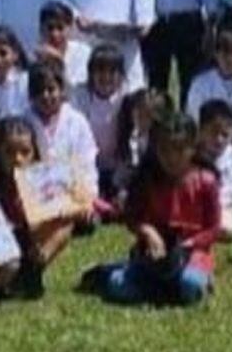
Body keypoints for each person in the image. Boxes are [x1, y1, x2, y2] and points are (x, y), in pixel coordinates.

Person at [89, 110, 221, 306]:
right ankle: (143, 278)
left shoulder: (206, 181)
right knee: (118, 286)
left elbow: (213, 228)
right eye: (165, 150)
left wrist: (188, 245)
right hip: (154, 253)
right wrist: (148, 231)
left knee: (190, 285)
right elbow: (132, 217)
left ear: (192, 149)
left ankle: (189, 280)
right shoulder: (148, 178)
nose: (171, 157)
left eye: (179, 150)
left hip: (192, 252)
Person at [0, 119, 78, 298]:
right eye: (9, 152)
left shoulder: (42, 182)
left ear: (35, 153)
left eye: (25, 152)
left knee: (64, 223)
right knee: (10, 265)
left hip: (26, 242)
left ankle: (33, 271)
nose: (18, 159)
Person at [24, 62, 100, 204]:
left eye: (51, 89)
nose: (45, 96)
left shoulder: (77, 121)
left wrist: (89, 194)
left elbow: (87, 161)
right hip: (37, 194)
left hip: (72, 190)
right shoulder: (24, 122)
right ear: (30, 95)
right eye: (39, 91)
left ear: (62, 91)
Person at [74, 47, 129, 204]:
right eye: (100, 71)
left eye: (112, 72)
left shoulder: (127, 97)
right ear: (90, 74)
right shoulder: (79, 95)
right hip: (87, 166)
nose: (106, 77)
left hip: (118, 167)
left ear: (121, 75)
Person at [195, 100, 232, 239]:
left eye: (225, 135)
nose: (219, 140)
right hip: (192, 202)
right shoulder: (191, 152)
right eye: (214, 133)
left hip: (219, 205)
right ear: (201, 131)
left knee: (227, 228)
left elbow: (229, 190)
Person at [35, 1, 91, 89]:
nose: (54, 34)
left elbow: (77, 93)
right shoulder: (36, 57)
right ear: (41, 29)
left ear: (70, 28)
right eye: (50, 28)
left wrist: (59, 63)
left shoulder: (83, 53)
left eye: (60, 28)